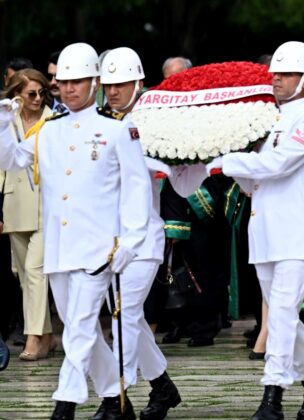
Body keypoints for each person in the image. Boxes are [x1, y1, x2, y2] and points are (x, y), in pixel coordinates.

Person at [0, 42, 152, 419]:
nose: (69, 89)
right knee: (76, 327)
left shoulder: (115, 131)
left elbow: (137, 189)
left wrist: (131, 240)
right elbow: (12, 160)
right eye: (63, 83)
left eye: (78, 82)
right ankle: (117, 400)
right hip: (60, 248)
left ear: (95, 82)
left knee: (80, 327)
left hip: (98, 248)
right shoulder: (48, 130)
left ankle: (64, 404)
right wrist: (5, 122)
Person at [206, 40, 304, 420]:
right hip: (264, 232)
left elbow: (278, 164)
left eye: (287, 74)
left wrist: (223, 160)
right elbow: (252, 182)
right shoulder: (267, 120)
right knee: (283, 318)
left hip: (296, 231)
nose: (277, 79)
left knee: (279, 313)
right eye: (275, 73)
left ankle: (272, 395)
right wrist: (231, 161)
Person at [97, 46, 183, 420]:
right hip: (107, 238)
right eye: (108, 84)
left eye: (121, 84)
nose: (113, 91)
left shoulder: (158, 122)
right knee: (127, 319)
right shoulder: (100, 122)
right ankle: (162, 387)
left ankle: (116, 398)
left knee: (124, 315)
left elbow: (175, 168)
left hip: (143, 235)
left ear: (139, 83)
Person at [0, 69, 55, 362]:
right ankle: (46, 335)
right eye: (31, 93)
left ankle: (33, 338)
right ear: (16, 94)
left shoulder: (55, 119)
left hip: (48, 204)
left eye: (41, 93)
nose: (37, 99)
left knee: (35, 271)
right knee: (24, 276)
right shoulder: (4, 120)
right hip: (14, 202)